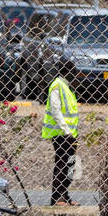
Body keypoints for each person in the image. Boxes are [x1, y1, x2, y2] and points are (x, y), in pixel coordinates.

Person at [44, 59, 80, 206]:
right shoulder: (57, 85)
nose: (76, 75)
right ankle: (57, 197)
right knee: (61, 163)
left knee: (70, 164)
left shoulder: (66, 86)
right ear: (67, 72)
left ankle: (64, 195)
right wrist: (65, 130)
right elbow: (55, 110)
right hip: (61, 133)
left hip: (71, 134)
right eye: (73, 72)